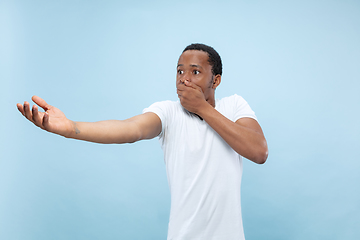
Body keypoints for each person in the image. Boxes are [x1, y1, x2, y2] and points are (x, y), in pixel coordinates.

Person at [17, 43, 268, 240]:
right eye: (180, 71)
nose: (184, 78)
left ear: (216, 80)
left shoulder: (234, 106)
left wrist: (202, 108)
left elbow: (259, 152)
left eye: (195, 71)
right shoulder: (169, 112)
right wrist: (71, 128)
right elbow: (130, 129)